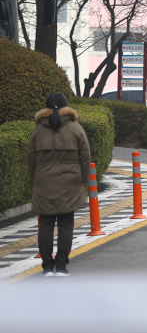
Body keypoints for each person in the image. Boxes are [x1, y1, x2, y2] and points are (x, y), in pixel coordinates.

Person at [28, 93, 91, 277]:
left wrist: (35, 181)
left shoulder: (38, 130)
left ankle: (47, 267)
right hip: (70, 184)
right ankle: (61, 267)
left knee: (45, 225)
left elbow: (30, 159)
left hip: (44, 183)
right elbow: (85, 157)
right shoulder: (76, 129)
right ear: (66, 107)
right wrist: (82, 181)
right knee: (65, 225)